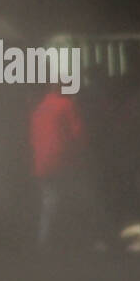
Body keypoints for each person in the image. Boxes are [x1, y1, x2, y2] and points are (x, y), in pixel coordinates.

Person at [29, 84, 87, 251]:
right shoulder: (66, 105)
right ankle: (61, 240)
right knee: (73, 199)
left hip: (41, 164)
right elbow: (78, 134)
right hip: (62, 162)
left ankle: (44, 241)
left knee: (48, 202)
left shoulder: (39, 108)